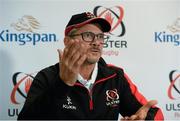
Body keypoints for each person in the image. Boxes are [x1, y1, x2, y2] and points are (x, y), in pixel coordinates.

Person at [17, 12, 164, 120]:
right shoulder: (47, 76)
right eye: (88, 35)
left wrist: (146, 119)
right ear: (68, 42)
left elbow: (154, 113)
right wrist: (63, 84)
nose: (96, 42)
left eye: (100, 37)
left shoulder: (115, 76)